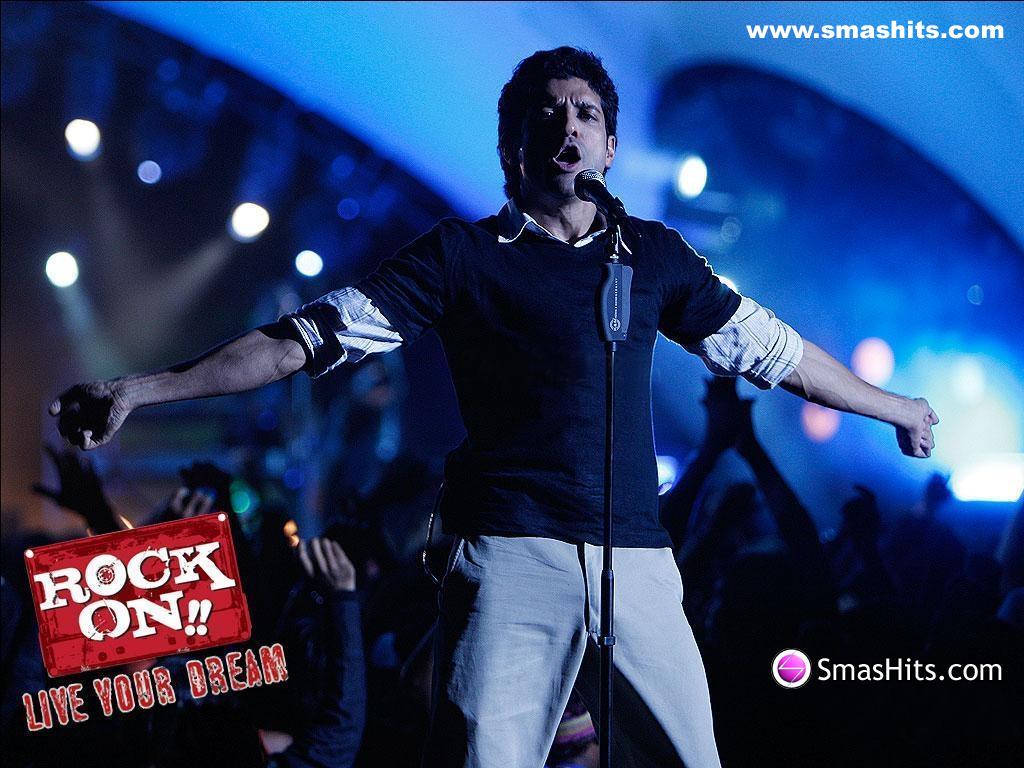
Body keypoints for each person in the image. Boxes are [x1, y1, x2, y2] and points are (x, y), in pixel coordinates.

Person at [50, 47, 938, 768]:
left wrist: (894, 407)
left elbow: (775, 350)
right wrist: (139, 389)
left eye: (586, 114)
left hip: (638, 559)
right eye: (547, 115)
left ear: (610, 148)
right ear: (514, 148)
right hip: (512, 554)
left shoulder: (654, 256)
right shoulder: (462, 256)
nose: (568, 126)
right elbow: (298, 341)